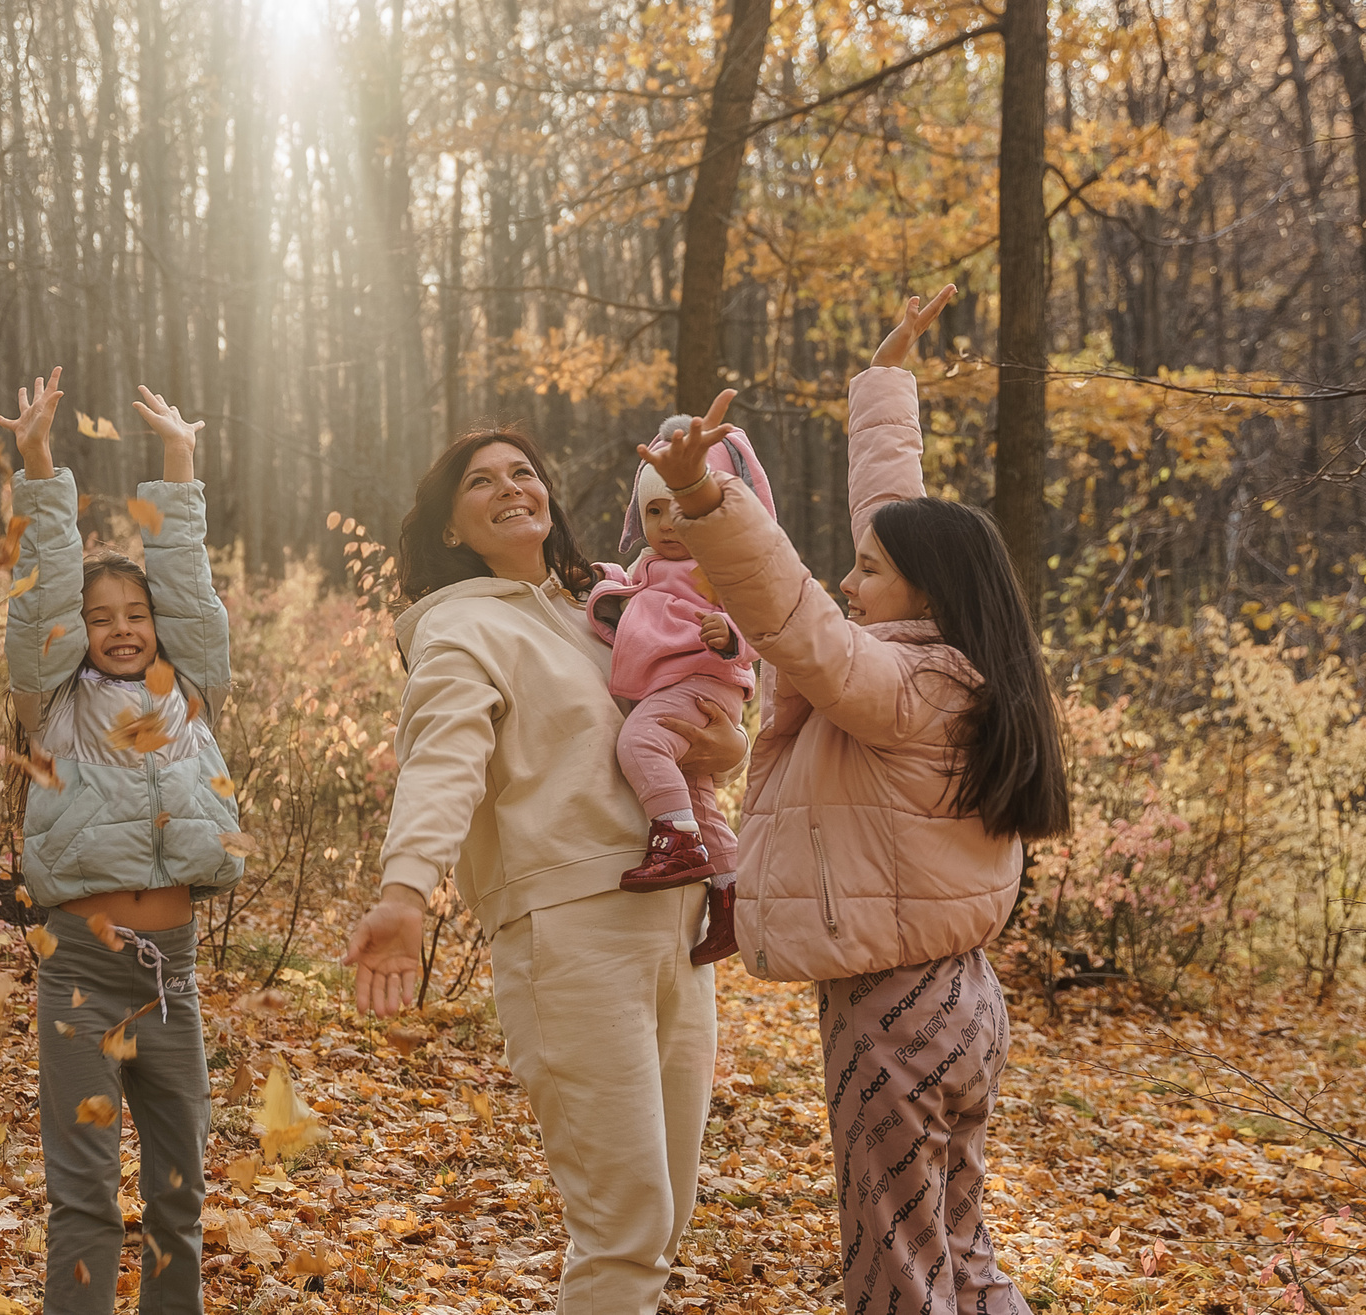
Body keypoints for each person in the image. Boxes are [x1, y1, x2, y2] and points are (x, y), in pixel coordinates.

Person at [644, 287, 1071, 1315]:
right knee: (955, 1251)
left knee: (896, 1270)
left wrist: (704, 502)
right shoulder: (958, 669)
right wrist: (885, 383)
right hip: (958, 995)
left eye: (870, 573)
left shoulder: (901, 691)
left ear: (923, 593)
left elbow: (794, 618)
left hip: (893, 1008)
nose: (849, 577)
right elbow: (895, 519)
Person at [341, 428, 749, 1314]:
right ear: (452, 527)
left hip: (678, 928)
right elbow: (441, 759)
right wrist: (405, 890)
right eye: (481, 481)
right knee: (626, 1229)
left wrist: (733, 742)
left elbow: (699, 721)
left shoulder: (608, 608)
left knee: (666, 1221)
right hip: (571, 938)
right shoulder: (459, 628)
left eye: (525, 470)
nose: (511, 486)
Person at [0, 370, 246, 1315]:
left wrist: (178, 465)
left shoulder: (188, 688)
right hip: (80, 972)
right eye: (101, 619)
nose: (121, 630)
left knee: (179, 1192)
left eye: (134, 616)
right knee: (86, 1195)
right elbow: (41, 605)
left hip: (171, 972)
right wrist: (38, 465)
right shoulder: (54, 699)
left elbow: (189, 590)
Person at [585, 418, 778, 964]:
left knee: (638, 745)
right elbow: (627, 594)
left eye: (677, 505)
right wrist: (601, 584)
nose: (666, 523)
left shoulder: (719, 565)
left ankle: (677, 844)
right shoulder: (649, 565)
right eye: (652, 510)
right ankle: (731, 901)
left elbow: (765, 620)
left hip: (703, 683)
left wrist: (731, 637)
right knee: (699, 798)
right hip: (675, 687)